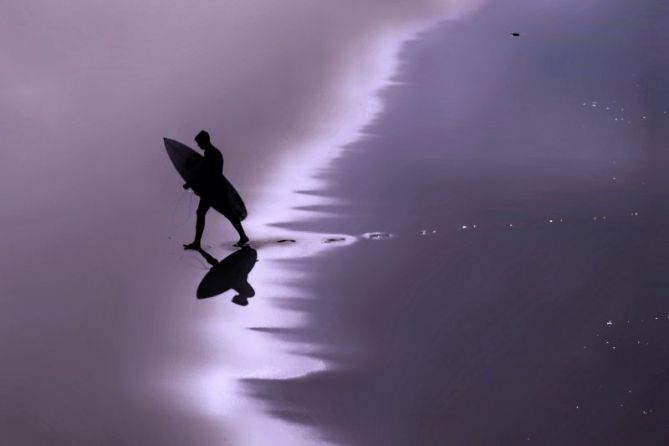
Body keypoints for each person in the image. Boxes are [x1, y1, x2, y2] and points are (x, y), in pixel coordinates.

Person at [183, 130, 249, 249]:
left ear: (205, 141)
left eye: (199, 143)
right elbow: (205, 171)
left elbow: (207, 174)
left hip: (214, 190)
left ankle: (198, 242)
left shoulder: (212, 154)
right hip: (214, 189)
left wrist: (191, 183)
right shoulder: (211, 153)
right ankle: (197, 242)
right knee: (207, 212)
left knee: (226, 213)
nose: (198, 146)